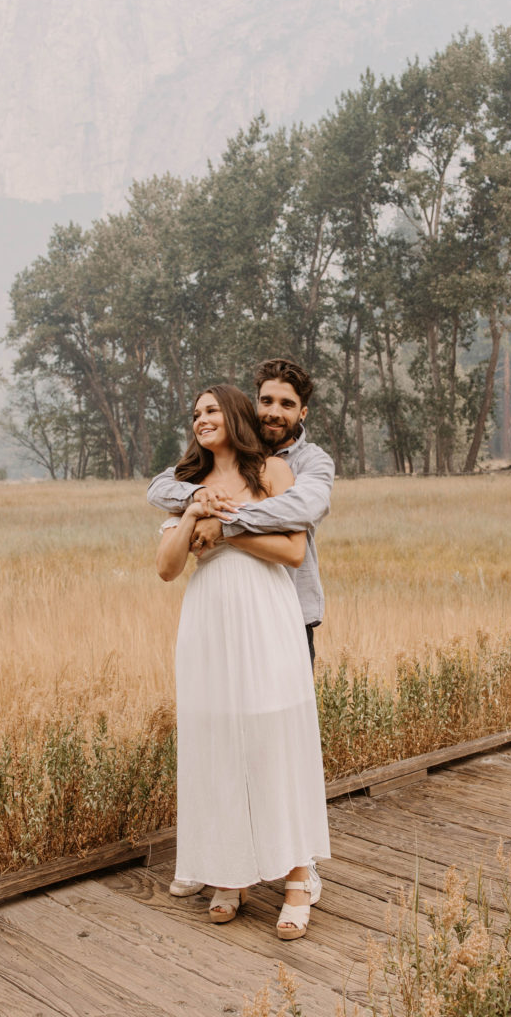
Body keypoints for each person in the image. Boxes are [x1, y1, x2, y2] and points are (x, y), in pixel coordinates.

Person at [155, 384, 331, 940]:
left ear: (232, 414)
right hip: (208, 621)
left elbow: (294, 551)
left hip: (266, 615)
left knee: (274, 736)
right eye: (195, 413)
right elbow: (165, 568)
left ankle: (299, 876)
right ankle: (229, 874)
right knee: (218, 740)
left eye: (211, 410)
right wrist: (192, 514)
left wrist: (227, 529)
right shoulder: (186, 484)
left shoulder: (273, 473)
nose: (200, 418)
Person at [147, 358, 335, 669]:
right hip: (216, 611)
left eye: (286, 404)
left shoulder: (308, 462)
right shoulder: (213, 462)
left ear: (302, 413)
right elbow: (159, 486)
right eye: (266, 401)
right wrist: (195, 497)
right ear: (252, 405)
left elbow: (302, 509)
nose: (274, 412)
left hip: (287, 607)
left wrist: (223, 524)